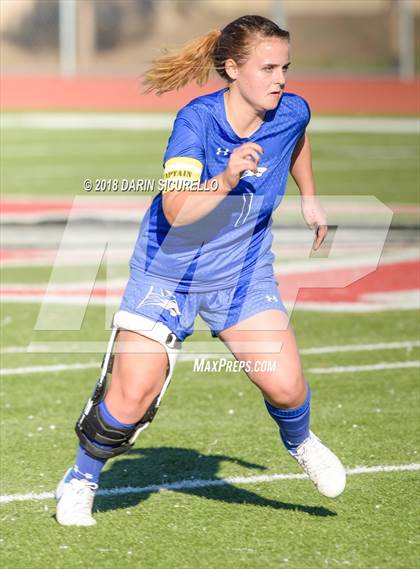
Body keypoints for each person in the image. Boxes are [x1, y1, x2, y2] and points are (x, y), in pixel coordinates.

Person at [56, 14, 346, 527]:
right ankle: (81, 479)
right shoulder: (197, 121)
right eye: (267, 68)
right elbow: (174, 211)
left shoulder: (291, 109)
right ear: (233, 69)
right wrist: (228, 175)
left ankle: (300, 442)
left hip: (242, 272)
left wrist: (311, 200)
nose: (280, 79)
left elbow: (297, 138)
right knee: (132, 395)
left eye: (285, 67)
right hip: (169, 271)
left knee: (286, 386)